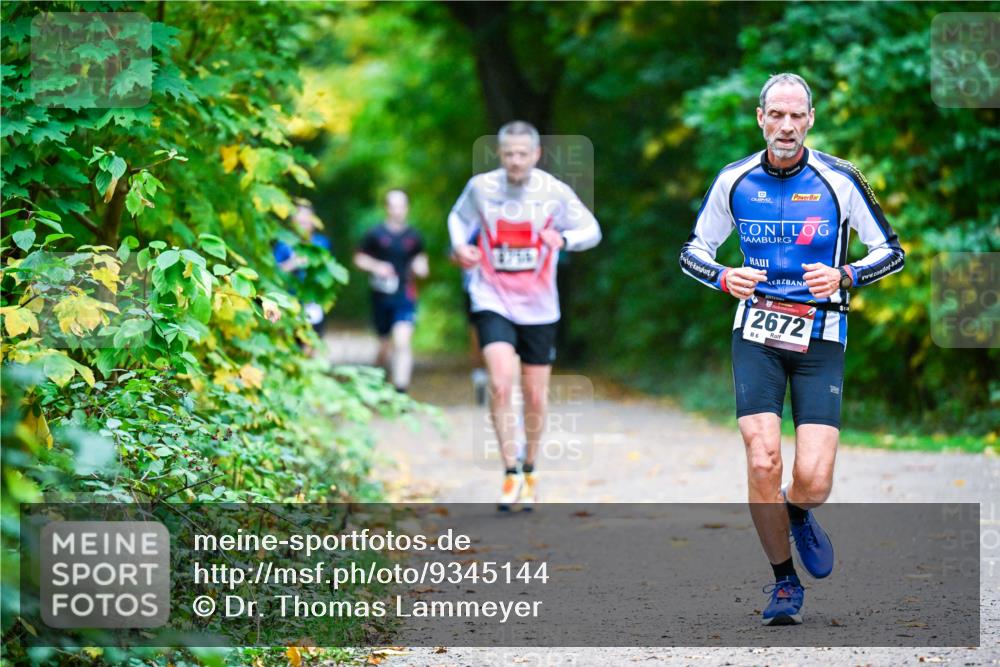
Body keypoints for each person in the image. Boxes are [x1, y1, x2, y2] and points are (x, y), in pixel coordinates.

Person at [679, 73, 904, 626]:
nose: (785, 125)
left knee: (815, 479)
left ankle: (798, 510)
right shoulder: (734, 179)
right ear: (760, 118)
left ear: (809, 120)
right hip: (755, 332)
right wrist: (723, 276)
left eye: (795, 116)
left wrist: (846, 274)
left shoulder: (839, 178)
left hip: (821, 335)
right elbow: (692, 251)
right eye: (775, 115)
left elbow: (891, 251)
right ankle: (784, 582)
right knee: (762, 457)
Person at [448, 121, 602, 511]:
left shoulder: (553, 191)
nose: (515, 161)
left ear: (536, 155)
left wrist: (565, 240)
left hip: (539, 306)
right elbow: (457, 219)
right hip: (491, 297)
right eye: (508, 154)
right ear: (500, 155)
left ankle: (530, 467)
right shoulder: (481, 187)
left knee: (534, 394)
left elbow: (592, 229)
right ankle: (510, 471)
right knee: (500, 384)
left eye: (523, 154)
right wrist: (460, 247)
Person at [354, 190, 429, 393]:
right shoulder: (375, 234)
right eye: (393, 206)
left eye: (402, 206)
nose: (398, 211)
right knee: (385, 346)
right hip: (381, 296)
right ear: (387, 208)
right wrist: (377, 266)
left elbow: (420, 259)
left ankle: (400, 390)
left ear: (407, 208)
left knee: (402, 340)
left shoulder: (414, 236)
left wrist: (421, 267)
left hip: (405, 294)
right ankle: (375, 380)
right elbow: (359, 259)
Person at [273, 199, 332, 333]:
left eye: (305, 220)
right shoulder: (283, 244)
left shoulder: (322, 244)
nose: (302, 224)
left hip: (313, 302)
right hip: (289, 301)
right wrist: (293, 264)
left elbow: (328, 272)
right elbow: (274, 273)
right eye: (299, 220)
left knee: (313, 341)